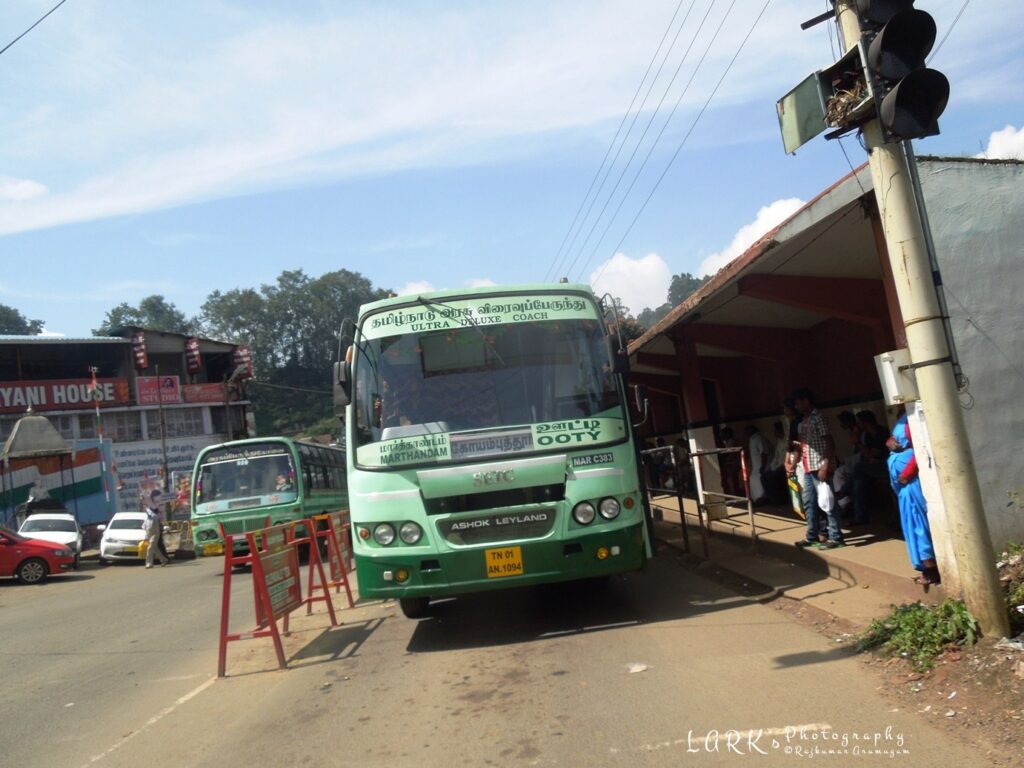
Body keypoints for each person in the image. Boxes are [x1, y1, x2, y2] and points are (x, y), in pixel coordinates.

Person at [886, 412, 940, 586]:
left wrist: (907, 473)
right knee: (911, 524)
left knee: (918, 523)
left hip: (910, 483)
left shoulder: (915, 415)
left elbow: (921, 448)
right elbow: (896, 439)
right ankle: (924, 567)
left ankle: (931, 568)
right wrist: (890, 442)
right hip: (903, 487)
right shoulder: (902, 416)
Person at [792, 388, 844, 549]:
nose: (796, 406)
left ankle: (836, 537)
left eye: (798, 403)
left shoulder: (818, 418)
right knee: (809, 502)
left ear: (806, 401)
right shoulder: (805, 421)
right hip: (808, 468)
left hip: (819, 466)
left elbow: (829, 442)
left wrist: (825, 465)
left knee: (828, 501)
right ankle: (812, 536)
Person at [744, 425, 771, 504]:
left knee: (759, 483)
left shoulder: (759, 438)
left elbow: (764, 453)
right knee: (753, 481)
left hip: (762, 466)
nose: (745, 433)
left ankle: (761, 499)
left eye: (747, 431)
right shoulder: (752, 439)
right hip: (756, 467)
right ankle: (756, 500)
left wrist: (763, 466)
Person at [143, 489, 169, 568]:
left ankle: (149, 563)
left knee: (151, 547)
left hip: (155, 527)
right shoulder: (147, 509)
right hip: (148, 527)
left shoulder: (155, 508)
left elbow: (158, 515)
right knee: (154, 547)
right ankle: (163, 559)